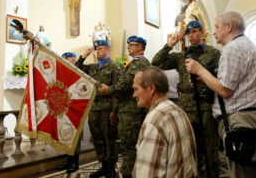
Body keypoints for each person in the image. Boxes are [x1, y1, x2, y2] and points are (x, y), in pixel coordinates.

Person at [185, 11, 256, 178]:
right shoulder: (244, 45)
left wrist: (199, 70)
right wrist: (205, 80)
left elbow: (225, 90)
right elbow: (234, 84)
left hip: (240, 122)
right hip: (250, 119)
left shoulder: (233, 48)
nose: (214, 32)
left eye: (216, 27)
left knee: (243, 174)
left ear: (229, 26)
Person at [152, 20, 221, 178]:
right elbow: (156, 63)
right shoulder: (180, 56)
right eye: (189, 32)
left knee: (210, 148)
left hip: (206, 106)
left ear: (202, 33)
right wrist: (170, 45)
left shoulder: (213, 53)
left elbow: (220, 75)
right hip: (186, 108)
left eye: (195, 31)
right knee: (190, 148)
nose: (191, 35)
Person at [98, 36, 150, 178]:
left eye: (132, 45)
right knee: (129, 146)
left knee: (128, 147)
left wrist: (108, 90)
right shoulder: (137, 62)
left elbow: (126, 83)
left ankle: (128, 174)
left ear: (140, 47)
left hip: (131, 110)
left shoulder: (138, 63)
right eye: (128, 45)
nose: (128, 47)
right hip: (130, 109)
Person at [131, 66, 197, 178]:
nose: (134, 95)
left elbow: (148, 173)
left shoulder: (154, 121)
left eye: (136, 89)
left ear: (151, 88)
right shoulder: (177, 110)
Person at [76, 40, 119, 178]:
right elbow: (77, 68)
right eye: (96, 49)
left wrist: (115, 111)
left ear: (107, 49)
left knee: (109, 139)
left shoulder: (114, 66)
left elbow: (117, 90)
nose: (98, 51)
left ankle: (111, 167)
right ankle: (103, 166)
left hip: (107, 109)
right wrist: (84, 56)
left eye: (100, 48)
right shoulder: (93, 67)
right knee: (97, 139)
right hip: (94, 109)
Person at [56, 51, 80, 174]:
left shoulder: (79, 71)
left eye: (68, 59)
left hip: (76, 108)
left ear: (74, 60)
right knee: (65, 134)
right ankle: (67, 159)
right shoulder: (62, 72)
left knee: (75, 135)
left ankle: (75, 161)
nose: (65, 61)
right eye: (64, 59)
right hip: (64, 107)